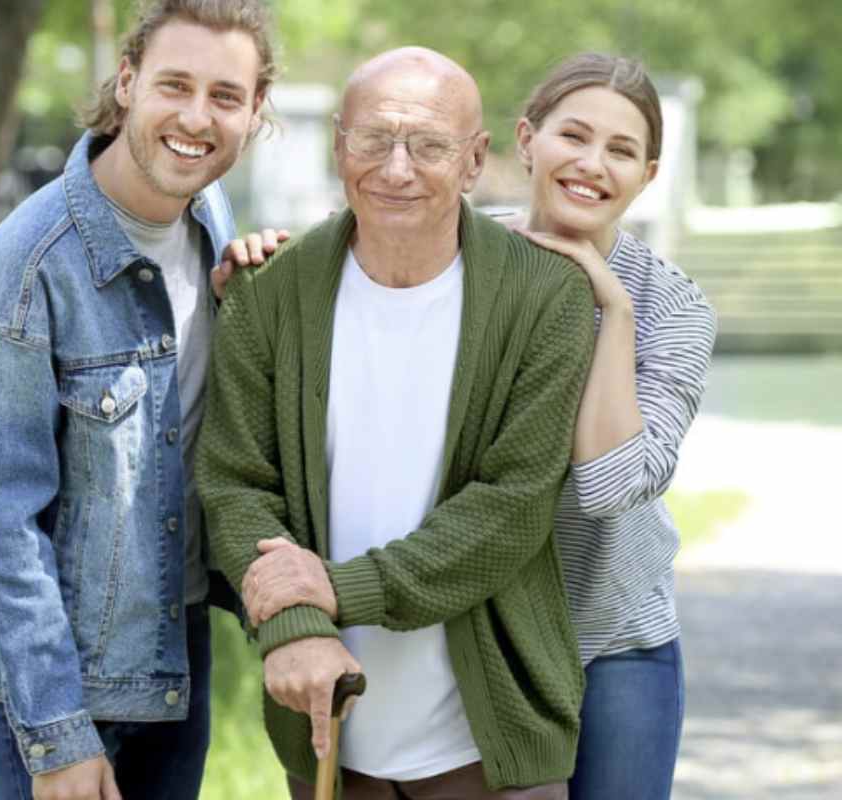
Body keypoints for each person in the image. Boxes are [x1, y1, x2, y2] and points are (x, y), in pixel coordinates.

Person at [197, 47, 597, 799]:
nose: (397, 168)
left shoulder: (548, 298)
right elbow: (234, 481)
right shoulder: (266, 292)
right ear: (339, 145)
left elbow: (512, 506)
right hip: (326, 730)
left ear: (475, 160)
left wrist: (331, 589)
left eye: (430, 144)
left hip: (490, 739)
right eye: (374, 139)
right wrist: (294, 625)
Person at [0, 2, 280, 798]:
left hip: (170, 638)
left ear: (256, 112)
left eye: (226, 96)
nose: (197, 118)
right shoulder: (29, 268)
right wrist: (56, 735)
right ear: (126, 83)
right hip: (59, 666)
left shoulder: (209, 215)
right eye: (174, 85)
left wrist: (251, 294)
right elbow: (3, 522)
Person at [505, 53, 717, 800]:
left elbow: (609, 483)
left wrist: (613, 306)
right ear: (527, 138)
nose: (592, 165)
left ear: (648, 175)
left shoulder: (675, 310)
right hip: (481, 635)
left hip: (616, 639)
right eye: (574, 135)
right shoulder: (456, 258)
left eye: (621, 150)